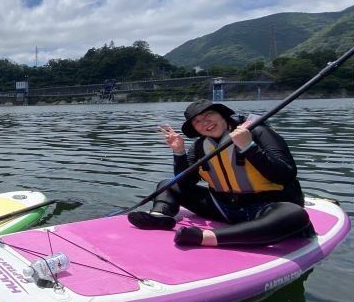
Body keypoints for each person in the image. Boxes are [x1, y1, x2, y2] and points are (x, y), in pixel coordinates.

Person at [128, 99, 313, 247]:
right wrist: (179, 152)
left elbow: (285, 174)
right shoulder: (200, 146)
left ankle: (208, 237)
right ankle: (160, 216)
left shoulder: (257, 132)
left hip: (264, 208)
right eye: (197, 121)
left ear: (223, 115)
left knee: (294, 214)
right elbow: (185, 184)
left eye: (209, 115)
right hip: (224, 207)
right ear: (195, 128)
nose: (204, 122)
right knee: (167, 185)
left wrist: (249, 147)